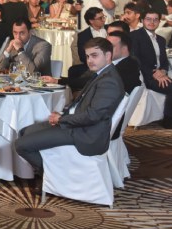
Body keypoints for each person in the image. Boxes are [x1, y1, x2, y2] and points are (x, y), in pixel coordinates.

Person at [15, 38, 125, 178]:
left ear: (108, 55)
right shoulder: (102, 74)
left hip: (85, 134)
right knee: (24, 132)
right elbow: (83, 105)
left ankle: (55, 176)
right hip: (77, 124)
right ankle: (52, 171)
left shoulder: (109, 81)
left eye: (94, 55)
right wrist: (63, 114)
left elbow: (93, 116)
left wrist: (61, 119)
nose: (89, 60)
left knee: (21, 145)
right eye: (88, 56)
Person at [132, 9, 172, 130]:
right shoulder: (135, 36)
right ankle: (169, 121)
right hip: (145, 76)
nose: (152, 22)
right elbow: (136, 60)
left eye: (155, 20)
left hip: (159, 73)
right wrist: (153, 74)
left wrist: (163, 71)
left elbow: (164, 61)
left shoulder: (160, 39)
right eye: (148, 19)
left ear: (159, 22)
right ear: (142, 20)